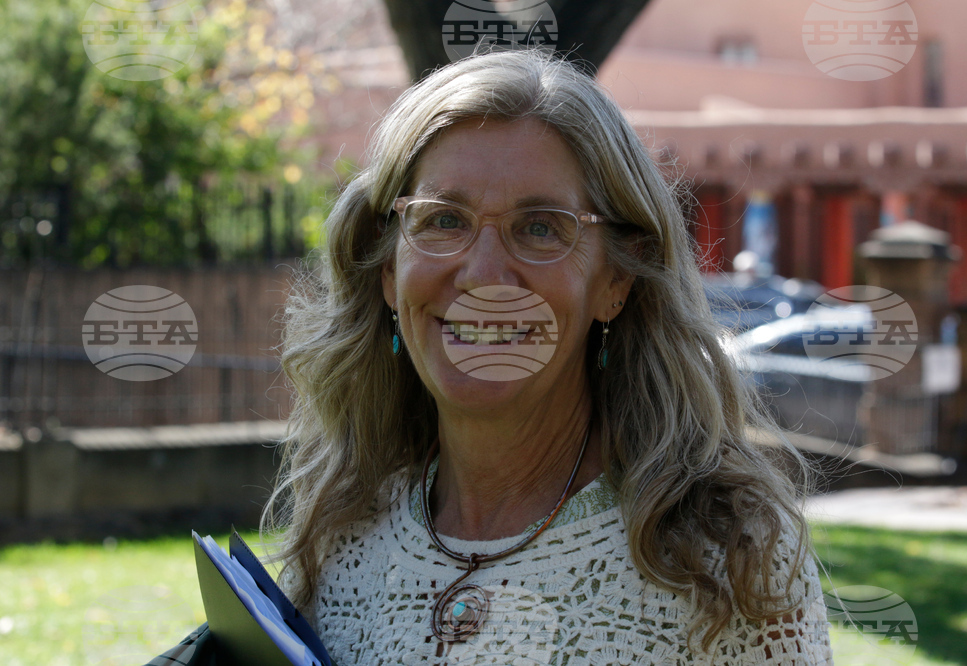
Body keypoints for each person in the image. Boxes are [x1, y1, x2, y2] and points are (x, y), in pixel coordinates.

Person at [264, 49, 832, 664]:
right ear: (387, 268)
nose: (483, 275)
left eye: (539, 227)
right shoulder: (342, 533)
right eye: (444, 220)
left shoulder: (727, 561)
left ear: (617, 279)